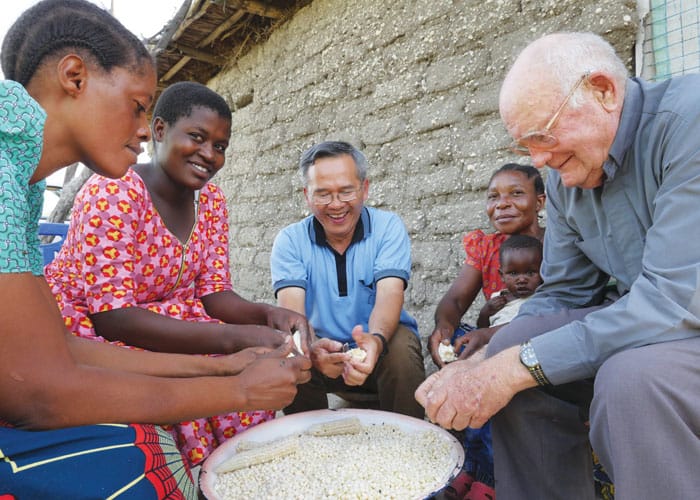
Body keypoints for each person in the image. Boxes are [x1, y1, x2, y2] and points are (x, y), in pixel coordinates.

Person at [0, 1, 310, 497]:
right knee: (141, 462)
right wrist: (231, 384)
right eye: (139, 106)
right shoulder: (12, 177)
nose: (144, 129)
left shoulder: (21, 182)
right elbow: (39, 393)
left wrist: (227, 363)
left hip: (87, 353)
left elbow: (62, 353)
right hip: (105, 334)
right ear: (74, 76)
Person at [416, 31, 700, 499]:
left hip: (681, 317)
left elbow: (671, 300)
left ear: (603, 91)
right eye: (524, 147)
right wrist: (487, 359)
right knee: (513, 343)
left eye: (543, 137)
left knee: (631, 379)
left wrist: (513, 369)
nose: (540, 161)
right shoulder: (566, 172)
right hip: (655, 320)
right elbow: (565, 293)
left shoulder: (687, 124)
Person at [44, 81, 310, 468]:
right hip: (95, 327)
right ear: (160, 131)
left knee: (246, 370)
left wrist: (266, 314)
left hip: (169, 325)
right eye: (197, 137)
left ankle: (235, 477)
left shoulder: (212, 202)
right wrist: (232, 337)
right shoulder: (114, 192)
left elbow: (215, 294)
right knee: (197, 384)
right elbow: (114, 318)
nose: (208, 154)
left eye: (220, 146)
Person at [270, 140, 426, 418]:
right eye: (323, 194)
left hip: (380, 347)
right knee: (291, 351)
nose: (336, 205)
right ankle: (311, 443)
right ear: (307, 195)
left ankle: (406, 442)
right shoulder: (290, 240)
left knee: (402, 346)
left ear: (364, 189)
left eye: (346, 192)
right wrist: (312, 348)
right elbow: (291, 315)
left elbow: (390, 294)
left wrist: (375, 342)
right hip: (323, 351)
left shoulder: (387, 227)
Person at [429, 163, 545, 369]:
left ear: (539, 202)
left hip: (541, 335)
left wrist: (492, 335)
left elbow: (563, 311)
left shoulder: (556, 243)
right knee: (456, 339)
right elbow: (455, 301)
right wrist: (444, 329)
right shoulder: (486, 248)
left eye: (516, 193)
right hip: (492, 336)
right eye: (493, 197)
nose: (502, 204)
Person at [477, 234, 543, 328]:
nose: (522, 279)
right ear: (502, 275)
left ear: (543, 271)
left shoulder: (543, 298)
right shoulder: (496, 300)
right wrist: (485, 313)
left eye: (530, 273)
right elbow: (482, 330)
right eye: (513, 273)